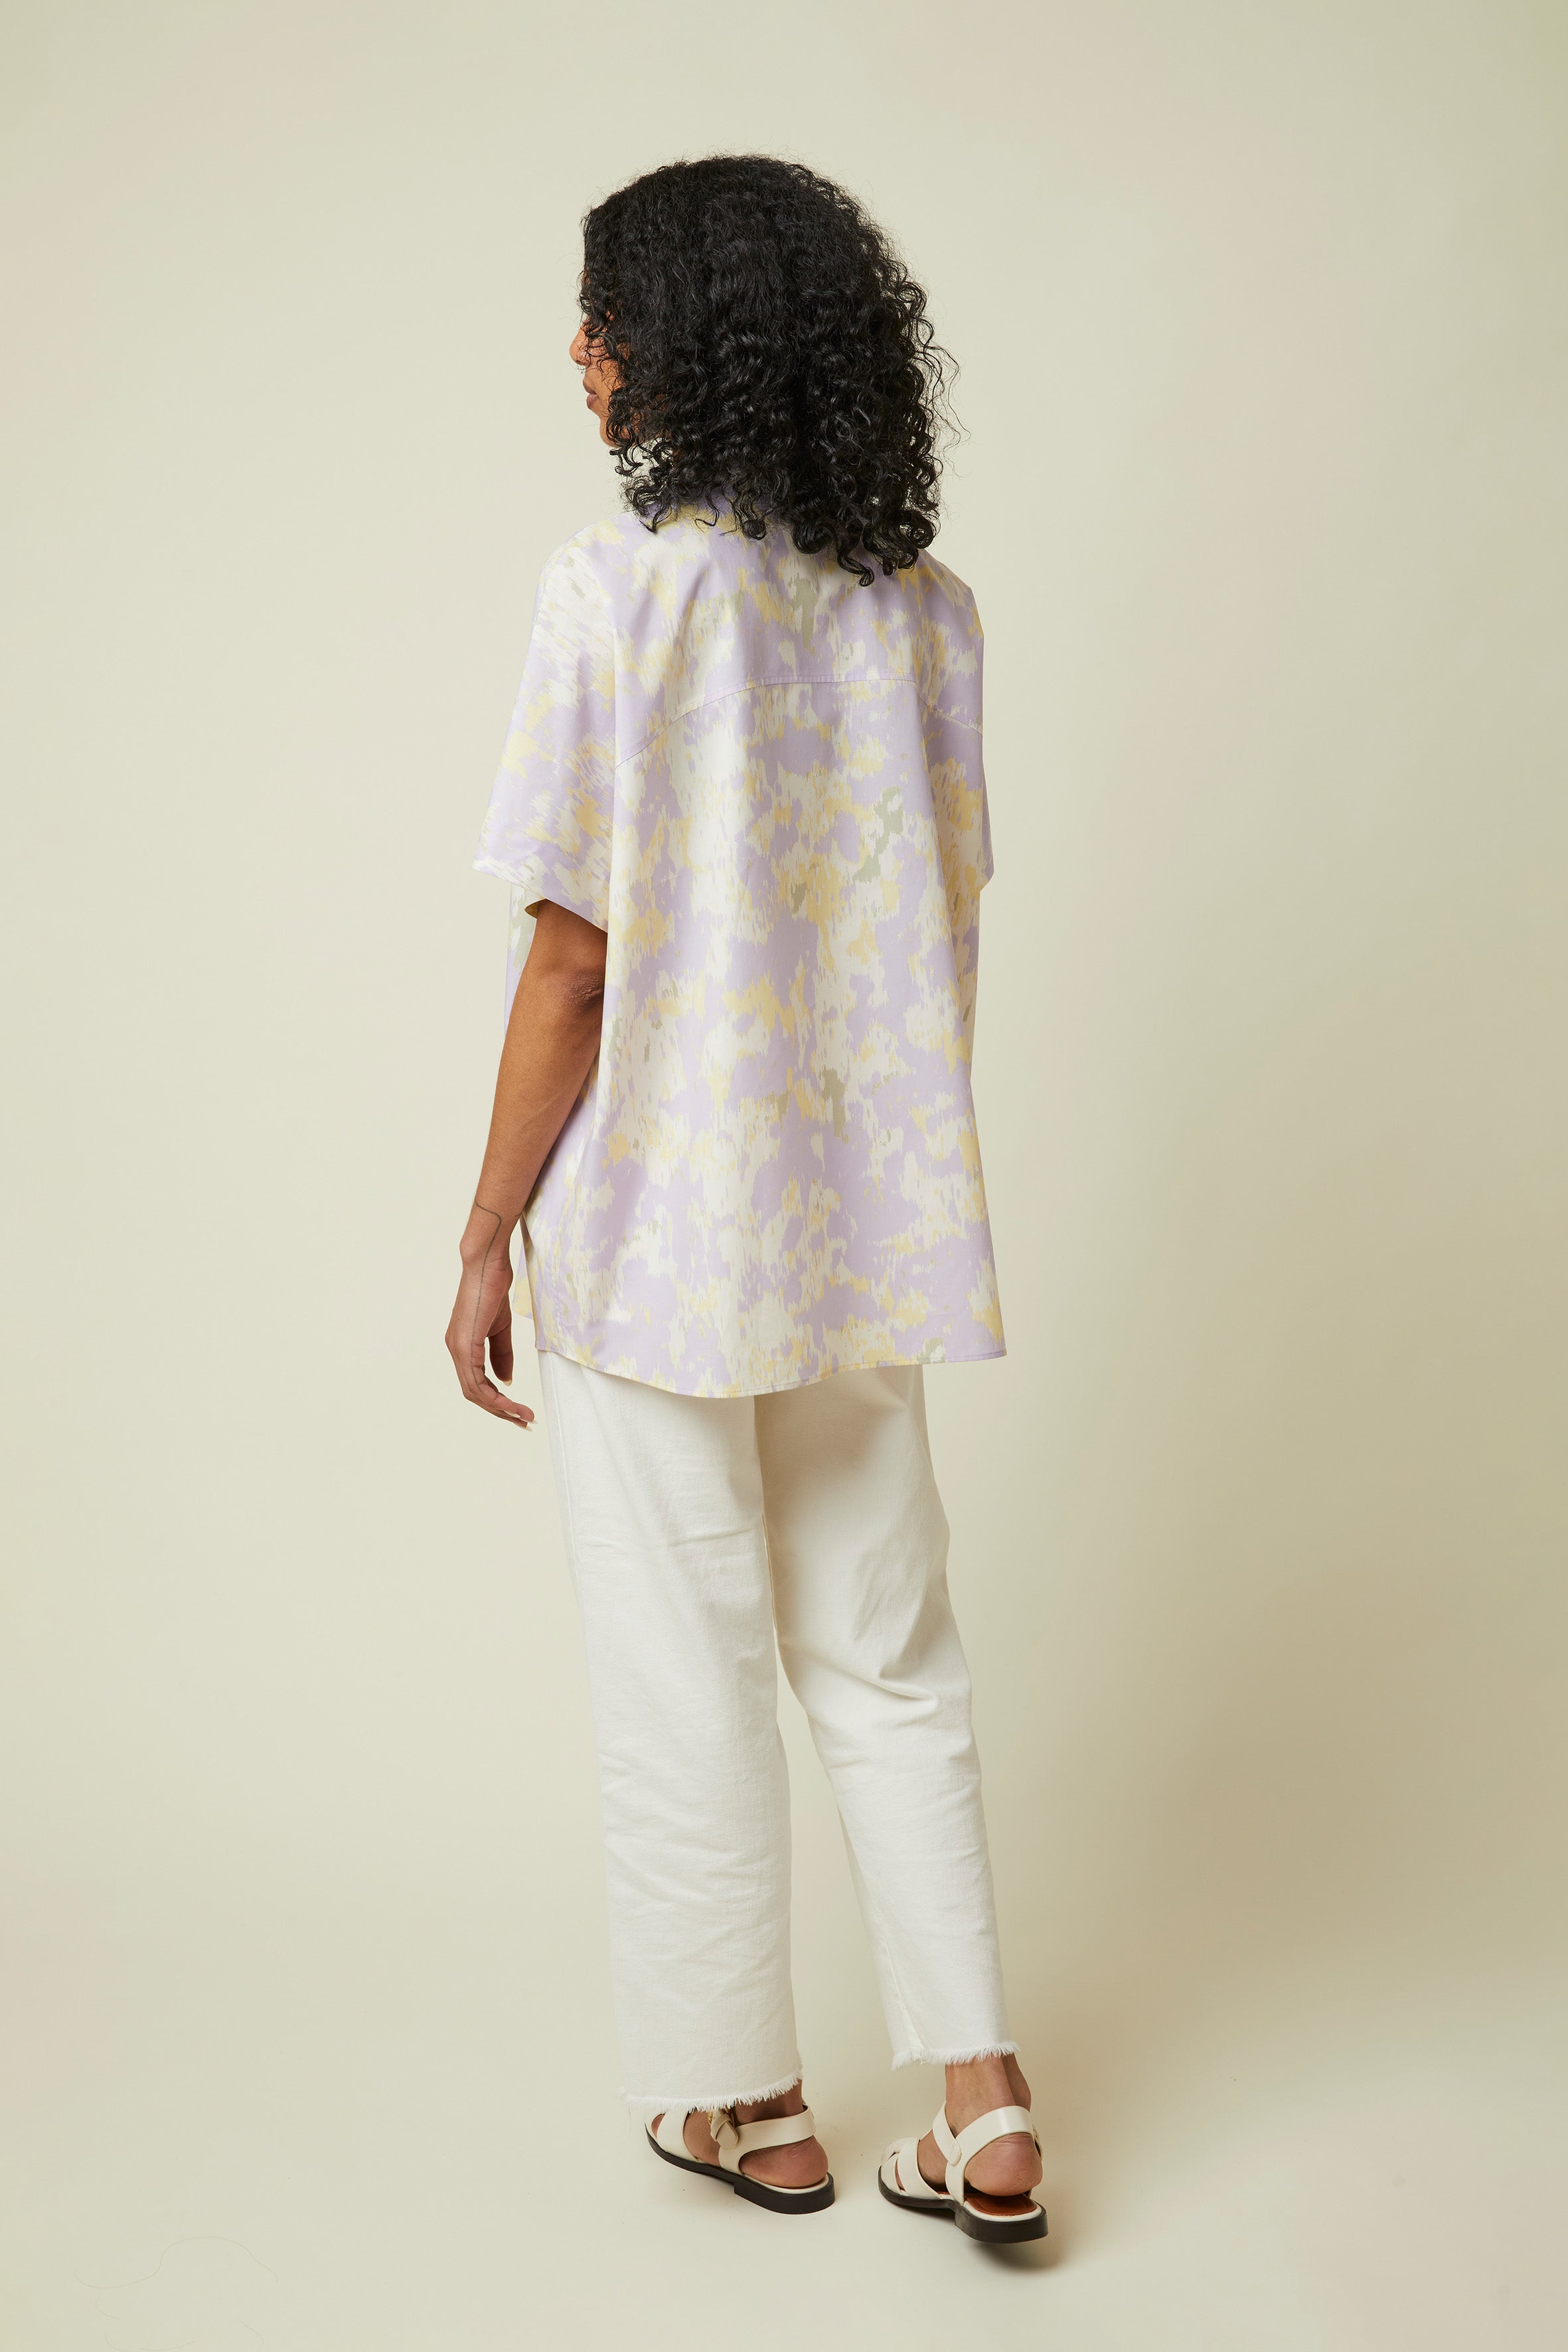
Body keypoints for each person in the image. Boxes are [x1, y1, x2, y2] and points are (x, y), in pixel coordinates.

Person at [445, 155, 1044, 2245]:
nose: (579, 351)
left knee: (682, 1661)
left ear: (678, 352)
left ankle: (749, 2102)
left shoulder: (615, 594)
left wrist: (482, 1227)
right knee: (891, 1654)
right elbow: (938, 922)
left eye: (603, 314)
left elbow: (573, 960)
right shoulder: (929, 614)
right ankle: (982, 2100)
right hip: (864, 1230)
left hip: (649, 1240)